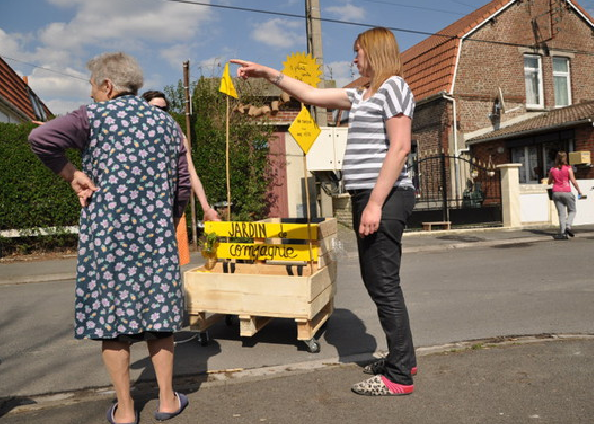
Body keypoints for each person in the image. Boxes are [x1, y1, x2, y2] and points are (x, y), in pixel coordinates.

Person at [232, 26, 417, 396]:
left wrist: (376, 203)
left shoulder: (394, 86)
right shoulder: (363, 94)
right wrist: (269, 73)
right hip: (372, 195)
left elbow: (399, 149)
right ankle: (404, 357)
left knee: (383, 283)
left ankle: (399, 376)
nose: (354, 58)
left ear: (375, 52)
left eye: (358, 51)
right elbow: (312, 94)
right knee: (377, 280)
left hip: (387, 195)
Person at [29, 52, 191, 424]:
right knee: (159, 318)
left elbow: (40, 138)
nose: (93, 93)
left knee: (112, 322)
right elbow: (181, 185)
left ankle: (126, 410)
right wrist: (169, 220)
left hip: (108, 239)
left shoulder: (92, 116)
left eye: (93, 86)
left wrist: (71, 173)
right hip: (156, 238)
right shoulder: (167, 124)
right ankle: (167, 400)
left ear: (107, 85)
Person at [142, 91, 219, 266]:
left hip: (175, 195)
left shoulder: (176, 132)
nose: (161, 113)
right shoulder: (138, 134)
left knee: (166, 247)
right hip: (148, 197)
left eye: (165, 109)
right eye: (155, 109)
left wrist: (206, 207)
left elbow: (190, 169)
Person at [548, 151, 582, 240]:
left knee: (561, 214)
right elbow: (573, 181)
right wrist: (579, 191)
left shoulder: (552, 169)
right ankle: (568, 226)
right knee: (572, 210)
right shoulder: (568, 168)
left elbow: (549, 182)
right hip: (566, 191)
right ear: (565, 158)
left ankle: (563, 233)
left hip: (556, 192)